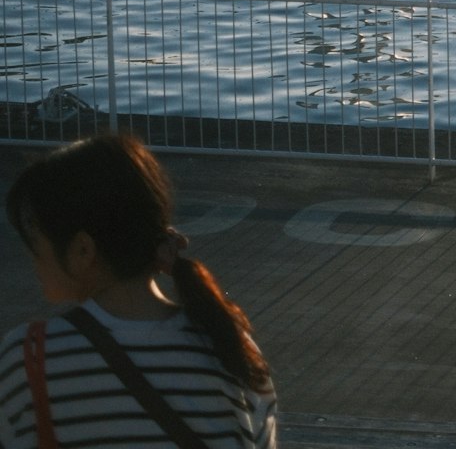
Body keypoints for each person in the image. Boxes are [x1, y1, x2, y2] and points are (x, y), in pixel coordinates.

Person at [0, 133, 276, 448]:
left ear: (82, 250)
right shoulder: (234, 348)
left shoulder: (30, 358)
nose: (31, 257)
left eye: (35, 242)